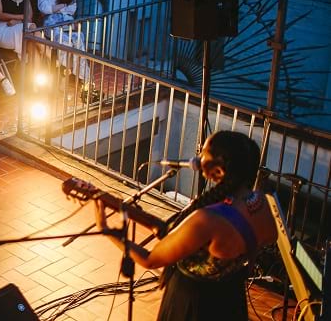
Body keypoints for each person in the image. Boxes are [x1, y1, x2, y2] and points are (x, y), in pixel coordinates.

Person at [93, 131, 276, 321]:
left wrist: (108, 232)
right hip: (230, 300)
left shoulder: (207, 219)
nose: (198, 157)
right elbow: (268, 237)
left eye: (203, 152)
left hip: (193, 304)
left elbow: (150, 260)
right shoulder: (259, 203)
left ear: (220, 169)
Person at [37, 0, 88, 82]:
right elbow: (44, 8)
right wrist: (64, 4)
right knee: (64, 41)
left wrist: (55, 8)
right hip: (51, 23)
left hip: (67, 22)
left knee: (79, 37)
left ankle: (82, 77)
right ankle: (65, 72)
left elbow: (72, 8)